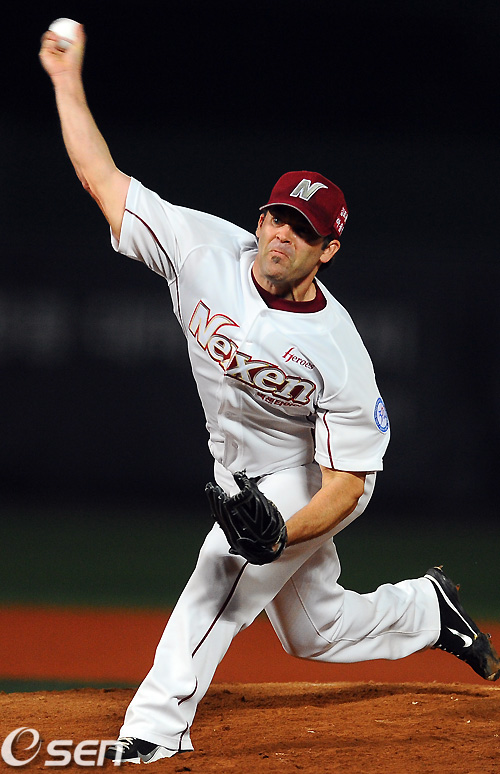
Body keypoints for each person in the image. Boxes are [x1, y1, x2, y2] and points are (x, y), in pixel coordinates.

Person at [39, 23, 500, 765]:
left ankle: (153, 729)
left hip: (308, 477)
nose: (281, 234)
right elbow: (102, 177)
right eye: (276, 216)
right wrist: (66, 81)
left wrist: (284, 533)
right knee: (316, 632)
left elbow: (350, 483)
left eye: (302, 229)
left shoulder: (338, 349)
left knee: (223, 569)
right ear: (260, 218)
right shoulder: (202, 248)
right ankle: (426, 608)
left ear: (327, 250)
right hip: (236, 470)